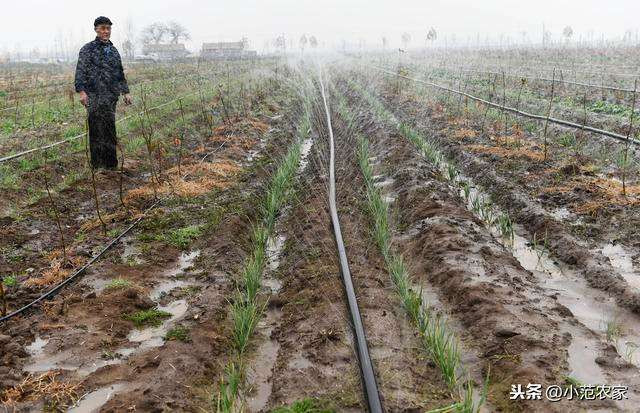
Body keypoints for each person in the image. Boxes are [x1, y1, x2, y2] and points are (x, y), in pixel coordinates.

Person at [74, 16, 133, 170]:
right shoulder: (87, 49)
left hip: (110, 97)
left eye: (108, 28)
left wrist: (125, 92)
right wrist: (81, 91)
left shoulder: (113, 51)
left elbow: (120, 73)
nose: (106, 31)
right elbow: (80, 72)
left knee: (110, 130)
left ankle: (111, 165)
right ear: (96, 30)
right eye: (103, 28)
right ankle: (97, 166)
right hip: (93, 96)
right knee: (96, 130)